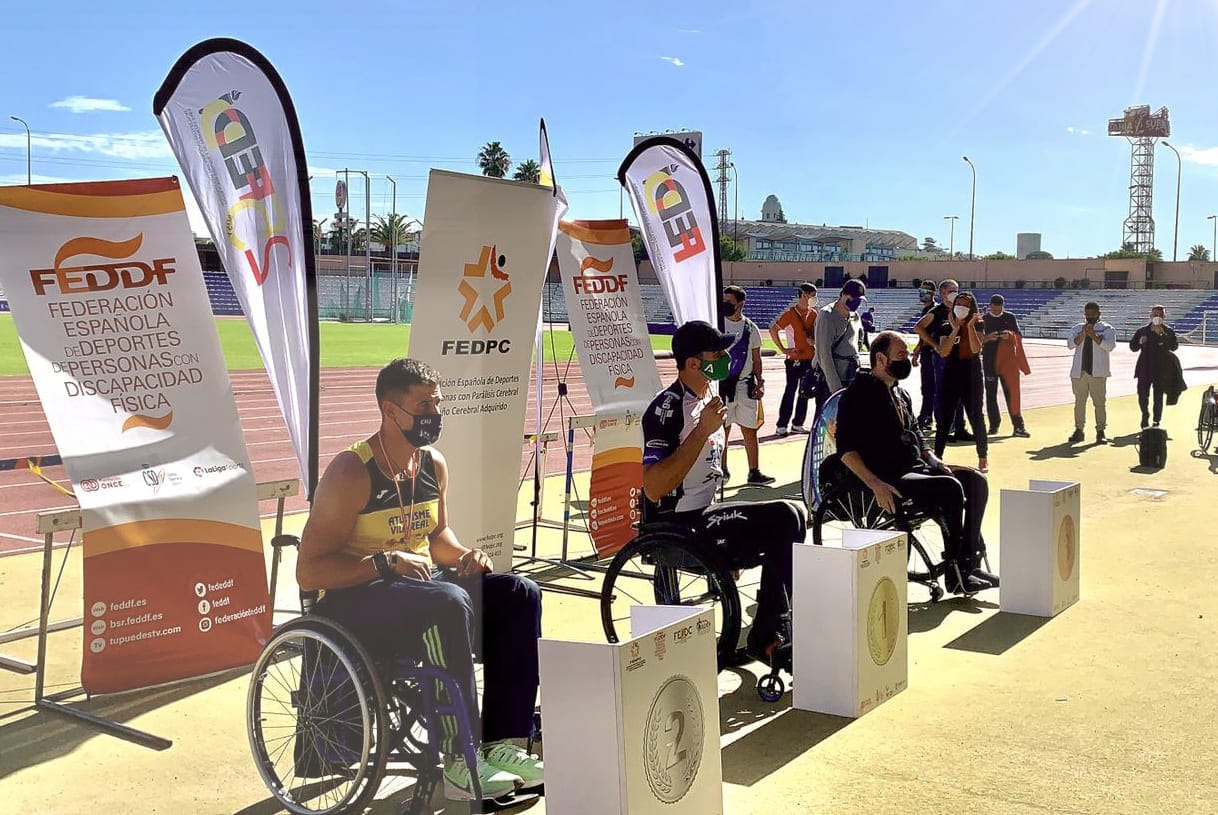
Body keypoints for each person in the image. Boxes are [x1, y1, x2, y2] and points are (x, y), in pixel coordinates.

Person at [297, 358, 543, 803]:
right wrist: (381, 564)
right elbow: (309, 570)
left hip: (417, 587)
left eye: (438, 403)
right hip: (357, 599)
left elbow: (438, 539)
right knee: (446, 602)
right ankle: (457, 760)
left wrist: (466, 554)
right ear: (390, 411)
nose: (435, 413)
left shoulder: (432, 464)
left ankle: (502, 742)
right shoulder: (351, 472)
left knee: (517, 593)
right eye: (424, 404)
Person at [642, 320, 807, 666]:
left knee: (791, 516)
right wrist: (702, 431)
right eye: (716, 354)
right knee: (783, 515)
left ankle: (773, 629)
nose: (724, 359)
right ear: (692, 363)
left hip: (708, 514)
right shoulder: (667, 408)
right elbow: (654, 486)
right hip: (678, 524)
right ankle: (776, 631)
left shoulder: (711, 398)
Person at [834, 331, 998, 595]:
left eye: (908, 355)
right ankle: (957, 571)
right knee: (950, 488)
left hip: (913, 467)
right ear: (880, 358)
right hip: (887, 474)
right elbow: (845, 449)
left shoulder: (899, 393)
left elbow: (916, 435)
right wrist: (875, 484)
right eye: (901, 355)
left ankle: (969, 561)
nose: (908, 360)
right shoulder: (859, 395)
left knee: (976, 481)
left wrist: (933, 459)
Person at [720, 286, 775, 485]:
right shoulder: (717, 324)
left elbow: (756, 358)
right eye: (723, 300)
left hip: (745, 386)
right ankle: (722, 470)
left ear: (740, 304)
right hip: (722, 386)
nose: (724, 304)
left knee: (749, 430)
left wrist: (760, 382)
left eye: (729, 302)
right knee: (722, 430)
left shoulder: (750, 328)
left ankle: (754, 472)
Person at [929, 291, 988, 472]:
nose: (961, 307)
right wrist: (955, 328)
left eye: (965, 305)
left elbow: (976, 348)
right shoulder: (946, 325)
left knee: (975, 416)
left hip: (972, 374)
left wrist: (968, 327)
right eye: (958, 304)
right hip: (951, 373)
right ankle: (938, 457)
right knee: (945, 418)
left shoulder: (978, 323)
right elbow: (944, 351)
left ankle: (983, 457)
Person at [914, 279, 970, 441]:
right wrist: (934, 345)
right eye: (951, 290)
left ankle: (960, 428)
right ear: (943, 293)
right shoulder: (937, 311)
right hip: (942, 358)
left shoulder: (960, 310)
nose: (955, 293)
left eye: (956, 289)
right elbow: (918, 327)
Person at [769, 282, 818, 437]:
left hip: (810, 358)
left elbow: (816, 334)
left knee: (805, 391)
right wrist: (783, 349)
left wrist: (814, 341)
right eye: (811, 295)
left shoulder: (814, 314)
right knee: (790, 391)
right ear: (803, 295)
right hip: (795, 359)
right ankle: (782, 425)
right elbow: (773, 329)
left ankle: (798, 423)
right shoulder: (790, 314)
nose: (812, 298)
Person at [979, 294, 1030, 437]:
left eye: (999, 307)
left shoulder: (1010, 317)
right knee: (990, 395)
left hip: (1008, 363)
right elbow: (977, 340)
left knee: (1012, 394)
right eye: (994, 307)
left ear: (1003, 306)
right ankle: (994, 425)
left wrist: (1009, 335)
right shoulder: (984, 319)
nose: (996, 310)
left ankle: (1018, 426)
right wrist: (988, 338)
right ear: (990, 306)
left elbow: (1019, 336)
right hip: (990, 361)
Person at [811, 279, 866, 412]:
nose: (856, 303)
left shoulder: (855, 316)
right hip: (831, 380)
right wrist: (836, 389)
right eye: (853, 298)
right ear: (843, 295)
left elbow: (859, 339)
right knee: (826, 423)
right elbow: (824, 354)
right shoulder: (827, 316)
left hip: (850, 376)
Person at [1067, 301, 1116, 444]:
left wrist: (1093, 335)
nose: (1089, 317)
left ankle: (1100, 431)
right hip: (1080, 371)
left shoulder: (1107, 329)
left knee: (1099, 403)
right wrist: (1083, 334)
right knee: (1079, 402)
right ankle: (1079, 430)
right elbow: (1070, 344)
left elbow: (1109, 346)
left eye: (1092, 314)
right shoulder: (1077, 328)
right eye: (1087, 314)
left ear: (1099, 314)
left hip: (1098, 372)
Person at [1130, 304, 1179, 429]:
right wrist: (1139, 342)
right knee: (1142, 394)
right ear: (1150, 315)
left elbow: (1174, 347)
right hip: (1144, 367)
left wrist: (1163, 335)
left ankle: (1157, 420)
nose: (1157, 317)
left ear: (1164, 316)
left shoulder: (1168, 331)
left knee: (1158, 396)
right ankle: (1145, 415)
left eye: (1160, 315)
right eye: (1155, 315)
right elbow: (1133, 347)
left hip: (1162, 369)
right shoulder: (1142, 331)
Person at [910, 281, 939, 432]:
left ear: (933, 293)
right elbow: (923, 336)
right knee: (927, 387)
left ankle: (926, 417)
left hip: (933, 353)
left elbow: (927, 334)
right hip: (927, 352)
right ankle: (927, 416)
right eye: (921, 290)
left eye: (926, 291)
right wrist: (917, 351)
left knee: (930, 387)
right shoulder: (926, 310)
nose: (922, 293)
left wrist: (929, 346)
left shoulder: (933, 310)